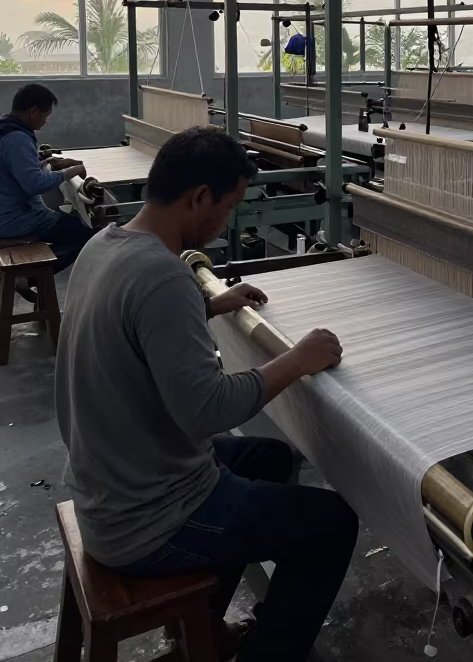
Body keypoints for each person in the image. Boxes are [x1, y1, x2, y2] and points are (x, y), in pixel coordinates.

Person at [55, 127, 357, 662]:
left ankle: (204, 629)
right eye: (230, 204)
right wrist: (297, 359)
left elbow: (137, 323)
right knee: (332, 524)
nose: (230, 219)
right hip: (147, 520)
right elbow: (207, 410)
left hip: (107, 481)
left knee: (269, 457)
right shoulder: (164, 278)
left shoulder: (104, 247)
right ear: (199, 198)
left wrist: (211, 305)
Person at [0, 83, 95, 284]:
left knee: (74, 228)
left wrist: (48, 163)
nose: (46, 121)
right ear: (33, 111)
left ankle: (30, 267)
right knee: (89, 237)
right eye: (46, 115)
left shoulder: (6, 129)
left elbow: (16, 172)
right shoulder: (17, 138)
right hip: (15, 219)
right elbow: (33, 184)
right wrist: (71, 171)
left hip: (5, 213)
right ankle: (29, 276)